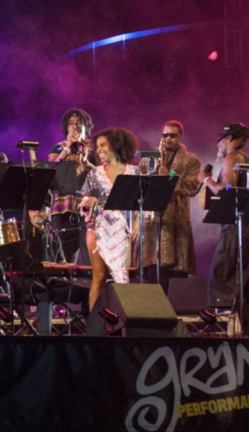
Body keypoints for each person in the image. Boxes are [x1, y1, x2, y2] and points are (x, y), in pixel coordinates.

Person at [198, 123, 249, 332]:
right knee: (243, 288)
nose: (218, 144)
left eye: (221, 139)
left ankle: (226, 335)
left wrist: (205, 179)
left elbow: (227, 191)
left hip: (235, 231)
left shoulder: (232, 157)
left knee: (223, 285)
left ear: (231, 139)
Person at [79, 127, 139, 311]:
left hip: (123, 230)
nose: (99, 150)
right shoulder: (94, 174)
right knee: (99, 277)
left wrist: (136, 223)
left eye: (103, 145)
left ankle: (122, 324)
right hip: (97, 229)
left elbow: (141, 203)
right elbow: (83, 204)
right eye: (97, 147)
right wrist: (88, 202)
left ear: (116, 145)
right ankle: (94, 326)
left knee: (122, 277)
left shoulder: (133, 172)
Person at [140, 120, 201, 292]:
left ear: (180, 137)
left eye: (173, 136)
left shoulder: (191, 160)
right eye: (165, 135)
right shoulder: (149, 158)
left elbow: (192, 187)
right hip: (152, 224)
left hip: (176, 223)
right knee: (151, 272)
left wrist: (170, 175)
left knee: (173, 276)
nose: (168, 139)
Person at [48, 109, 97, 263]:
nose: (75, 126)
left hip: (88, 211)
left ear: (86, 126)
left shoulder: (95, 148)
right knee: (65, 260)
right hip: (63, 209)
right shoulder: (58, 148)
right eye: (71, 124)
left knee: (90, 258)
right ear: (66, 128)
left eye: (79, 123)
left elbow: (101, 176)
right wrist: (68, 148)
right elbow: (51, 173)